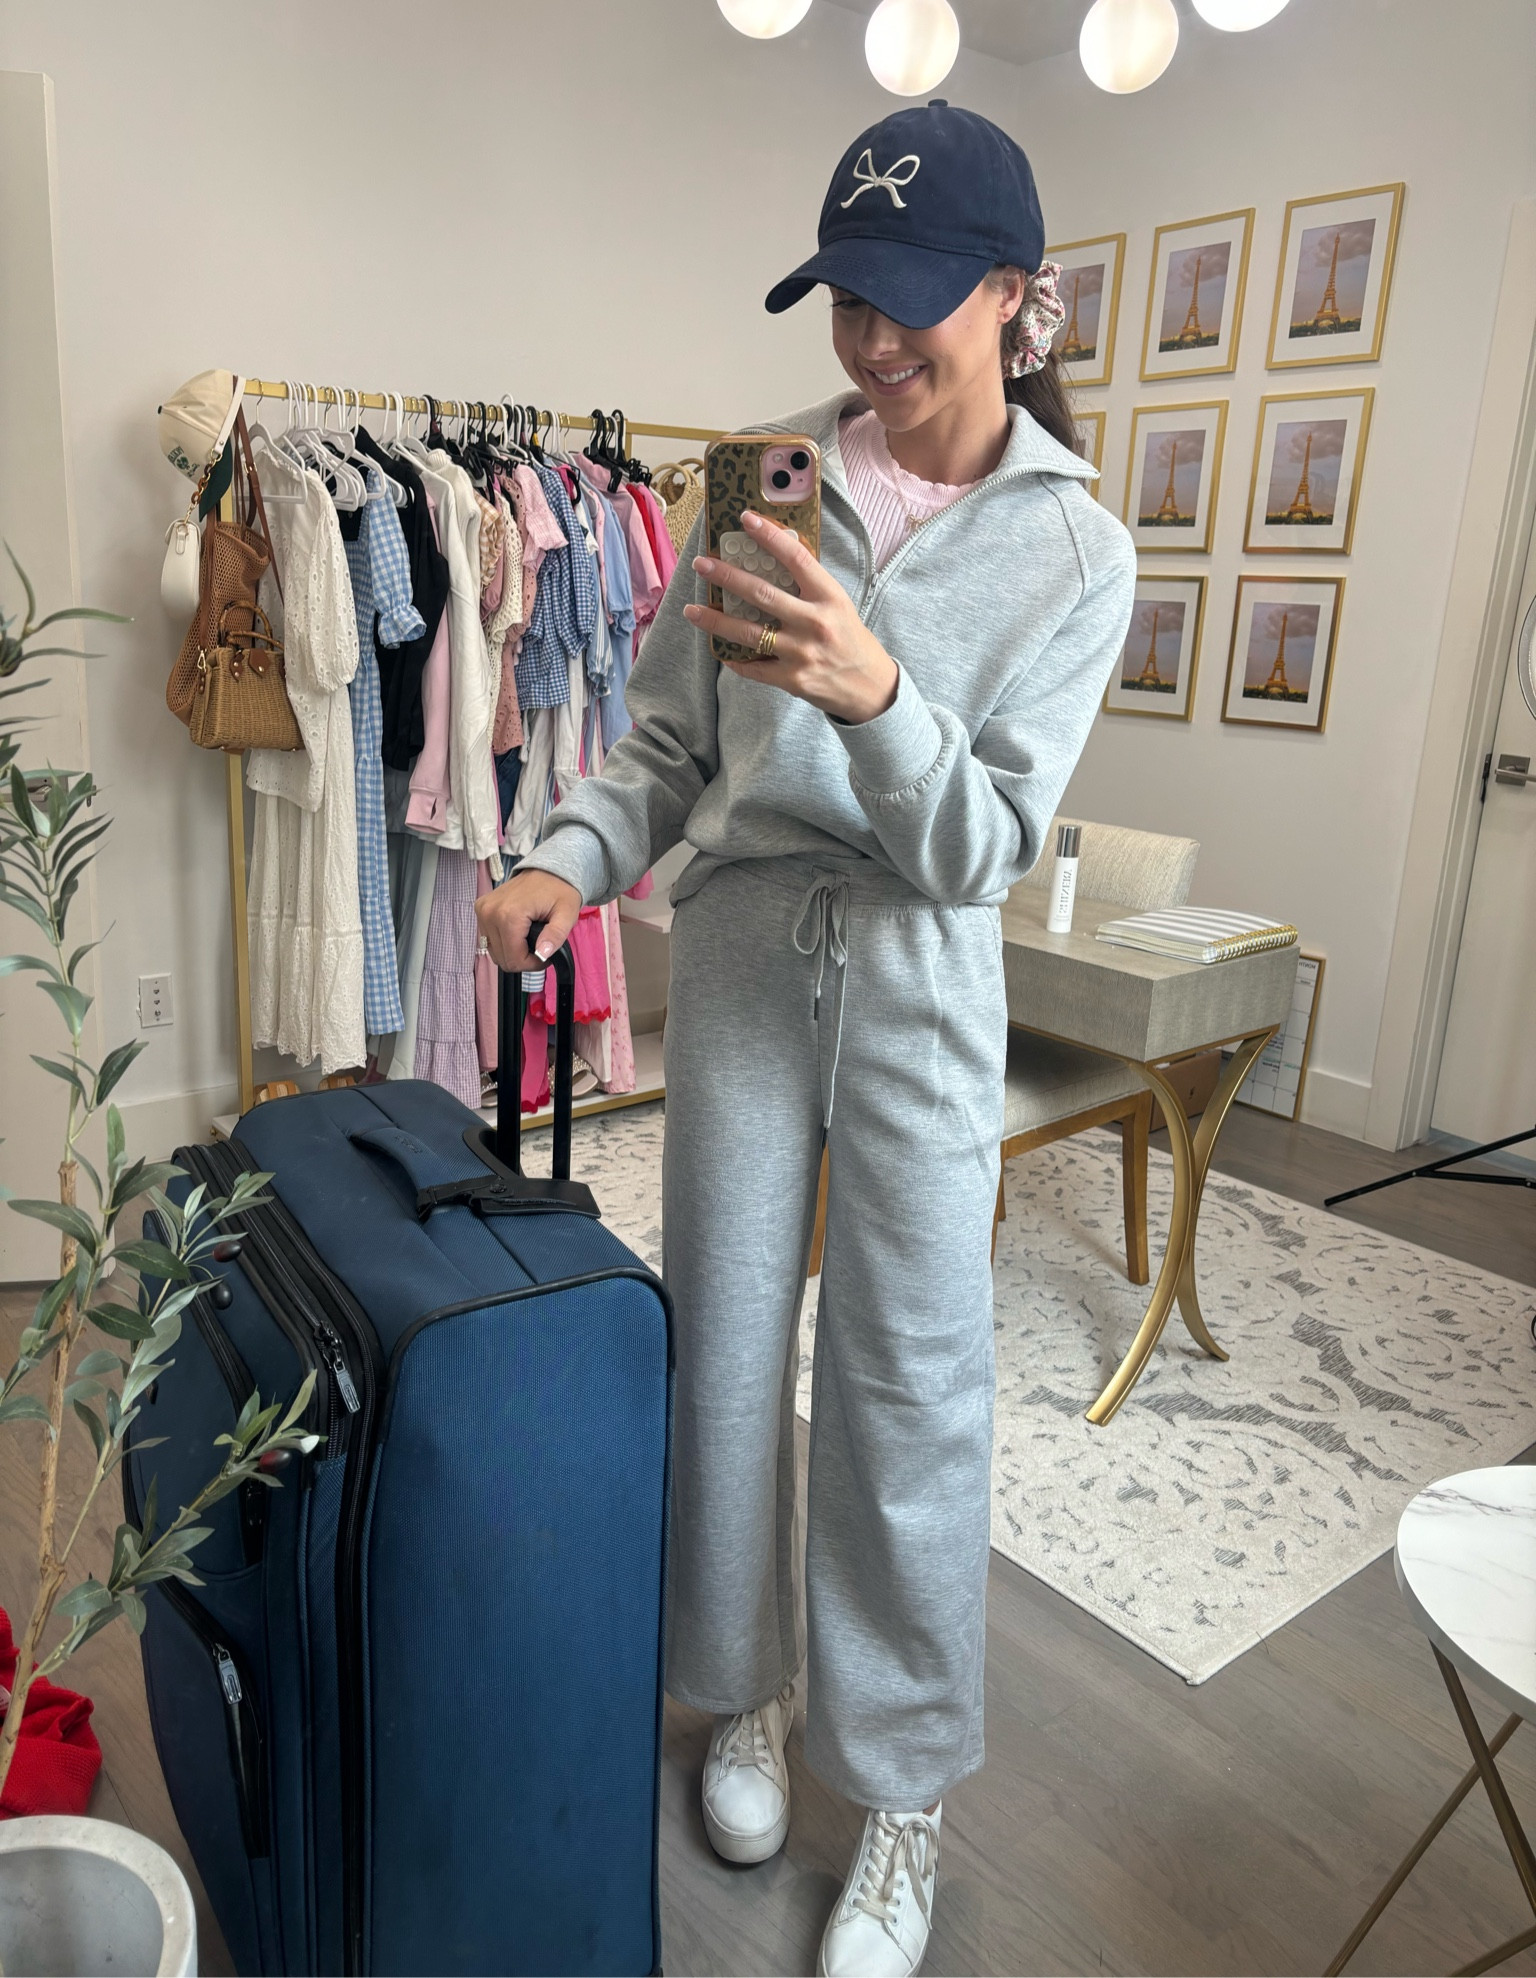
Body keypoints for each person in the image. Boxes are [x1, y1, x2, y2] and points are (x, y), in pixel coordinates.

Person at [478, 99, 1135, 1978]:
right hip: (753, 957)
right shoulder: (759, 484)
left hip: (924, 974)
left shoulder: (1079, 553)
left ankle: (903, 1793)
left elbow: (985, 844)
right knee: (725, 1341)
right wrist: (565, 858)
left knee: (912, 1381)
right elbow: (671, 740)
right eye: (847, 294)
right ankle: (745, 1692)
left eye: (908, 296)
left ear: (1014, 295)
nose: (869, 338)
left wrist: (878, 691)